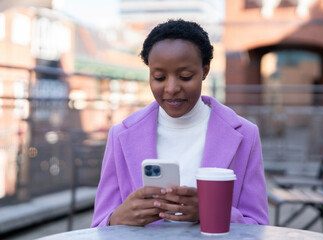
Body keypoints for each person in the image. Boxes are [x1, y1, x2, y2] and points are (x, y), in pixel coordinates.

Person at [91, 19, 269, 227]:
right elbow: (99, 226)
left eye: (185, 76)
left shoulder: (246, 135)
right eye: (159, 77)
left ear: (205, 71)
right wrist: (117, 219)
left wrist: (209, 211)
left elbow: (258, 226)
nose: (171, 88)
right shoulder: (120, 135)